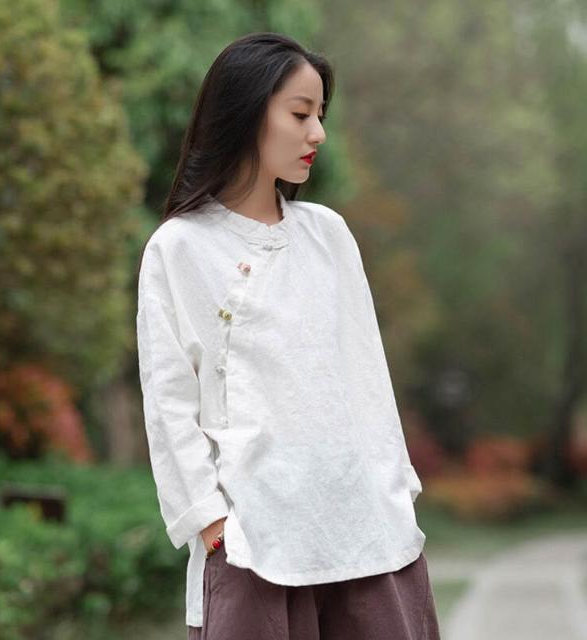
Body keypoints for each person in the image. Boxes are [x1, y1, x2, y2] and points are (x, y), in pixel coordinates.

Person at [136, 31, 441, 640]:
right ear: (247, 111)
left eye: (320, 115)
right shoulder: (179, 247)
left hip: (366, 532)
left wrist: (394, 490)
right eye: (301, 114)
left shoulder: (327, 234)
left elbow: (367, 377)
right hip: (255, 545)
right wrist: (210, 523)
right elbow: (169, 402)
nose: (318, 134)